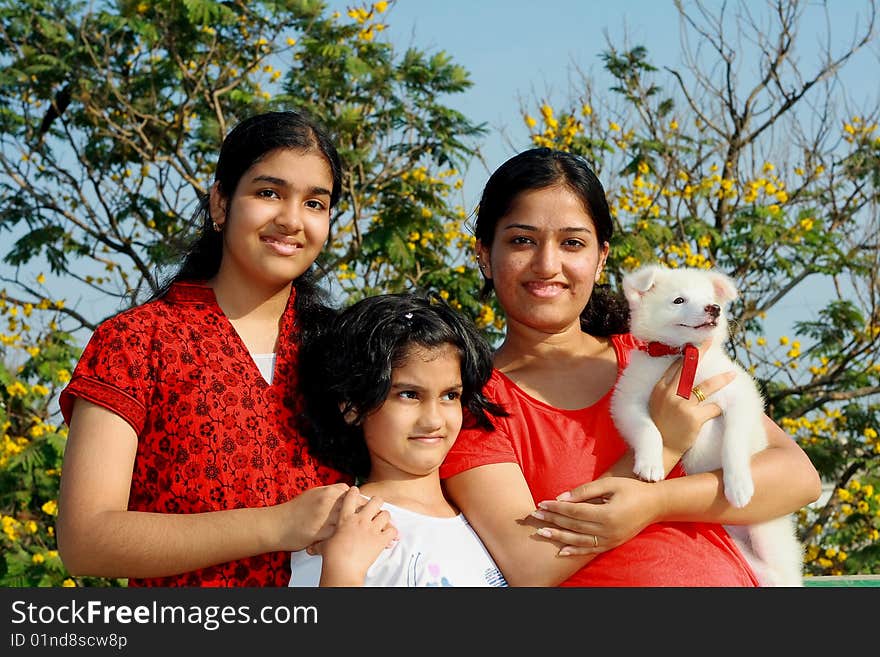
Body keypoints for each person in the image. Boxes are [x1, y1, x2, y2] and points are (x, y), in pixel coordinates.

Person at [440, 147, 822, 586]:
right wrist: (665, 449)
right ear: (484, 253)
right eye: (522, 240)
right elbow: (530, 564)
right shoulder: (471, 400)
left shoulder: (658, 354)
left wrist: (656, 502)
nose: (548, 264)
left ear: (601, 258)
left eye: (572, 243)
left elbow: (797, 478)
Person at [56, 110, 356, 586]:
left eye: (315, 203)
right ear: (220, 204)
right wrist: (277, 525)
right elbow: (85, 539)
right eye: (268, 193)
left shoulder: (350, 351)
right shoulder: (137, 341)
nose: (292, 219)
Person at [288, 292, 508, 587]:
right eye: (409, 395)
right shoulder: (343, 525)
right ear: (353, 406)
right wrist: (343, 567)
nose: (433, 420)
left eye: (450, 396)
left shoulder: (480, 521)